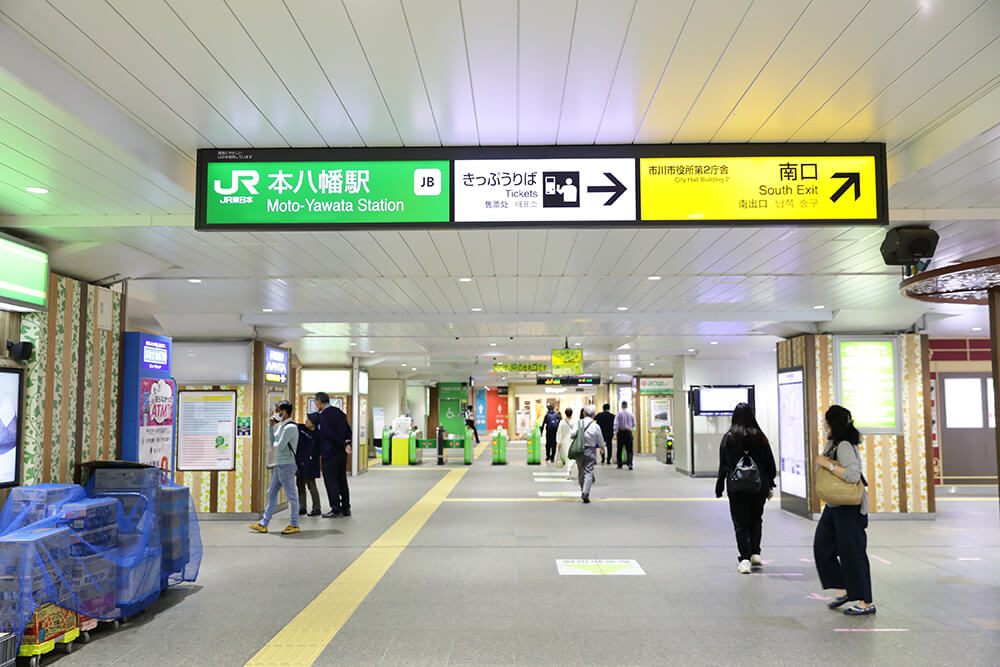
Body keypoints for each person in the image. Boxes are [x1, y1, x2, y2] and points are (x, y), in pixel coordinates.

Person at [813, 405, 875, 616]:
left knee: (853, 555)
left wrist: (827, 465)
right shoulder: (834, 443)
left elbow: (853, 475)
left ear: (833, 424)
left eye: (826, 422)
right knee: (822, 548)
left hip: (849, 507)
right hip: (834, 506)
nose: (824, 426)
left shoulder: (845, 445)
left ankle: (866, 602)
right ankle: (846, 587)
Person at [714, 403, 777, 574]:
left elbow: (724, 465)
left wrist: (719, 486)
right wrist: (769, 484)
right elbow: (770, 465)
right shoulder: (761, 437)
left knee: (740, 523)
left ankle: (745, 559)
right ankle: (756, 552)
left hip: (737, 487)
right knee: (756, 518)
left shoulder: (729, 437)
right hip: (759, 486)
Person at [250, 400, 300, 535]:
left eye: (278, 410)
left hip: (287, 465)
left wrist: (274, 429)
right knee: (271, 493)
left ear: (285, 412)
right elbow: (273, 442)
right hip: (280, 465)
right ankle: (263, 524)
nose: (275, 412)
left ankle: (294, 524)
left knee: (291, 496)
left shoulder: (290, 427)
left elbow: (279, 446)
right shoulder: (282, 426)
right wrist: (271, 427)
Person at [314, 392, 353, 518]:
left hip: (330, 453)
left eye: (316, 402)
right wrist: (347, 443)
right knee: (342, 480)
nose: (316, 404)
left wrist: (341, 443)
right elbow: (348, 430)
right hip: (342, 453)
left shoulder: (324, 415)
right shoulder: (339, 412)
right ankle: (346, 507)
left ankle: (336, 508)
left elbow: (328, 433)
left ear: (319, 402)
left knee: (331, 482)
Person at [576, 404, 606, 503]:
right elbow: (600, 438)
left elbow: (572, 434)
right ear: (593, 415)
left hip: (579, 450)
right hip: (590, 450)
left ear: (584, 413)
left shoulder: (579, 423)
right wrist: (602, 447)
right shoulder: (595, 426)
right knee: (588, 472)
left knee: (581, 471)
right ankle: (586, 492)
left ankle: (582, 490)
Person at [296, 413, 322, 516]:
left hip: (311, 462)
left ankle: (317, 508)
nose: (306, 421)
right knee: (300, 484)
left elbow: (319, 450)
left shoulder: (318, 435)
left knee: (311, 484)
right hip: (300, 461)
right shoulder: (301, 428)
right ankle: (302, 507)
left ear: (314, 423)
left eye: (309, 420)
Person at [613, 401, 635, 469]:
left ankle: (620, 464)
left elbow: (616, 424)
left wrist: (615, 433)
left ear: (622, 406)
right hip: (629, 433)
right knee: (629, 449)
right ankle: (630, 464)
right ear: (627, 405)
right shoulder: (631, 414)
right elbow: (634, 424)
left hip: (621, 433)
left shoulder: (619, 414)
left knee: (619, 449)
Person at [556, 407, 575, 474]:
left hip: (564, 441)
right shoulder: (574, 422)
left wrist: (559, 442)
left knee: (567, 456)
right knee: (573, 457)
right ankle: (569, 469)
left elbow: (559, 432)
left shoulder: (562, 422)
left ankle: (568, 469)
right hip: (573, 441)